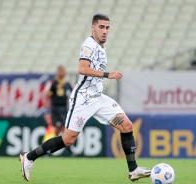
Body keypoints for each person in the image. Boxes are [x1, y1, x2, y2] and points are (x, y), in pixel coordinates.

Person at [19, 13, 151, 182]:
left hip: (98, 98)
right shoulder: (89, 45)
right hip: (83, 99)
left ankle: (133, 170)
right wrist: (107, 74)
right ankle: (29, 158)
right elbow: (82, 68)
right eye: (101, 27)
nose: (105, 31)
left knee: (126, 125)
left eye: (107, 28)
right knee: (68, 139)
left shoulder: (101, 47)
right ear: (93, 27)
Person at [43, 65, 73, 137]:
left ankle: (62, 144)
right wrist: (46, 111)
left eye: (63, 71)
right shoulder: (53, 83)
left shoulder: (67, 84)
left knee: (64, 127)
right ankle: (57, 144)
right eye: (61, 71)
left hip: (64, 108)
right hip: (55, 108)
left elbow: (72, 96)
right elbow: (47, 96)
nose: (62, 73)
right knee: (57, 128)